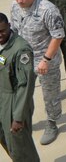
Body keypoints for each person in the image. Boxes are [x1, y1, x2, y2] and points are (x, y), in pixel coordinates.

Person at [10, 0, 64, 145]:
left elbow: (58, 36)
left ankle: (52, 123)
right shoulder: (15, 6)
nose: (19, 1)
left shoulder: (47, 10)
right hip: (24, 60)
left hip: (45, 60)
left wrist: (46, 60)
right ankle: (23, 119)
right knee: (22, 92)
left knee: (50, 94)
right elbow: (14, 31)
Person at [0, 13, 40, 161]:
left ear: (9, 26)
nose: (0, 35)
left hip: (15, 101)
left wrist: (18, 117)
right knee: (6, 139)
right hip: (2, 98)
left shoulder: (21, 50)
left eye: (2, 30)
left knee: (21, 145)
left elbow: (26, 86)